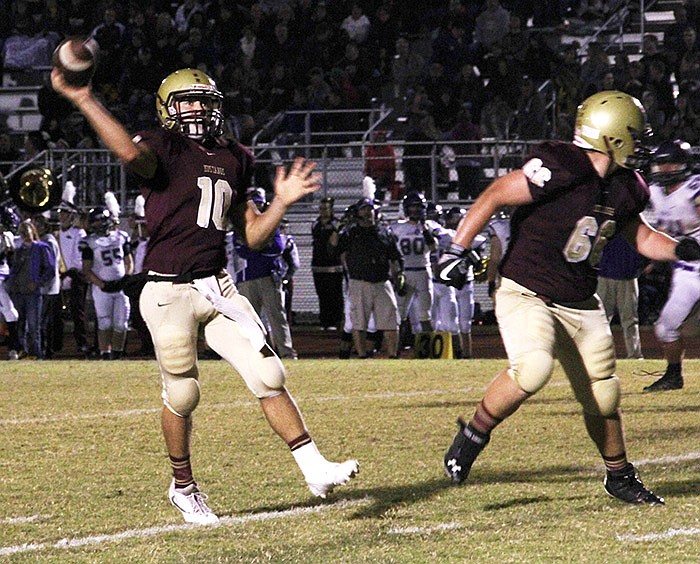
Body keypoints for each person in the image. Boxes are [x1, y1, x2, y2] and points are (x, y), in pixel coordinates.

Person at [51, 66, 358, 524]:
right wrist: (84, 99)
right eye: (186, 101)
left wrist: (282, 202)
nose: (197, 109)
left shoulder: (236, 155)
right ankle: (183, 487)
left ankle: (314, 468)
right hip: (166, 288)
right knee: (184, 392)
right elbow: (127, 153)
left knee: (269, 374)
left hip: (217, 285)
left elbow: (252, 235)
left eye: (204, 100)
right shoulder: (163, 145)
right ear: (166, 109)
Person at [435, 90, 695, 505]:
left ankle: (619, 476)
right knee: (534, 368)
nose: (642, 144)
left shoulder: (627, 186)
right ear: (610, 136)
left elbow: (642, 237)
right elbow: (496, 193)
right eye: (635, 134)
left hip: (578, 297)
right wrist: (456, 248)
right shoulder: (563, 164)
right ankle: (473, 434)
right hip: (527, 289)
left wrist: (681, 248)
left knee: (604, 393)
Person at [643, 139, 700, 391]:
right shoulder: (655, 193)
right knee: (666, 327)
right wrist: (654, 260)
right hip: (688, 271)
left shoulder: (694, 188)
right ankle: (674, 375)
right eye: (660, 163)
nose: (664, 169)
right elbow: (662, 231)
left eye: (670, 163)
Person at [333, 197, 403, 358]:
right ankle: (362, 354)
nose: (367, 212)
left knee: (391, 319)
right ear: (358, 212)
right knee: (359, 322)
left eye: (369, 209)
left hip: (382, 281)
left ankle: (392, 354)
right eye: (363, 209)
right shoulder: (351, 233)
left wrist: (399, 274)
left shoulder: (384, 232)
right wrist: (339, 227)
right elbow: (334, 248)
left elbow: (395, 256)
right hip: (359, 281)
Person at [233, 188, 298, 360]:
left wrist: (255, 246)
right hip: (247, 279)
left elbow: (277, 248)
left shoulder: (271, 224)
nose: (258, 206)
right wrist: (260, 245)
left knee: (277, 316)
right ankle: (253, 352)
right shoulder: (241, 225)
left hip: (269, 277)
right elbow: (241, 251)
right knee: (249, 318)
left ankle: (286, 352)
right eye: (255, 203)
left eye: (260, 203)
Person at [80, 198, 133, 360]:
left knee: (121, 323)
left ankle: (117, 353)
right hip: (102, 287)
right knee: (105, 323)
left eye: (97, 222)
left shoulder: (121, 237)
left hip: (121, 286)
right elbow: (86, 269)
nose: (95, 225)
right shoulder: (89, 242)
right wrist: (101, 284)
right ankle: (105, 353)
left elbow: (129, 261)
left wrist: (127, 278)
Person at [390, 192, 436, 344]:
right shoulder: (396, 227)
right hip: (405, 273)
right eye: (412, 207)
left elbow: (433, 247)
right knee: (399, 314)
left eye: (418, 207)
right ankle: (397, 348)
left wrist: (423, 228)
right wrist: (395, 274)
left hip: (423, 272)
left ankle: (429, 349)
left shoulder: (430, 226)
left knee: (425, 314)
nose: (415, 210)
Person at [7, 220, 55, 359]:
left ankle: (36, 353)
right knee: (19, 324)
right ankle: (23, 351)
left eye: (26, 232)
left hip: (33, 293)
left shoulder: (41, 248)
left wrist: (38, 283)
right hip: (18, 292)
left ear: (32, 232)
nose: (24, 235)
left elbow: (50, 269)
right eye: (21, 233)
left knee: (34, 326)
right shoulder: (19, 251)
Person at [596, 235, 645, 360]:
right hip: (608, 274)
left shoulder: (630, 222)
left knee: (628, 318)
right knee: (602, 319)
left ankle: (634, 354)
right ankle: (601, 354)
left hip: (625, 275)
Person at [57, 188, 90, 356]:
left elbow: (79, 257)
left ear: (71, 215)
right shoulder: (55, 234)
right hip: (59, 278)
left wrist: (69, 273)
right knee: (57, 315)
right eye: (60, 212)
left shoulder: (79, 233)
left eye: (65, 213)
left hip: (75, 277)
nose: (61, 216)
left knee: (79, 314)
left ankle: (82, 344)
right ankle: (55, 345)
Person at [311, 197, 344, 331]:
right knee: (322, 294)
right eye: (321, 208)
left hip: (333, 266)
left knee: (335, 294)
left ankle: (336, 321)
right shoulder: (316, 224)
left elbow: (334, 243)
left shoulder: (337, 224)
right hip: (318, 265)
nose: (323, 211)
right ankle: (325, 321)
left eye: (325, 209)